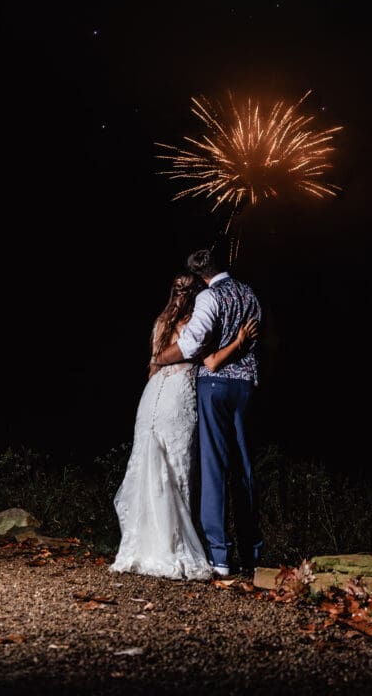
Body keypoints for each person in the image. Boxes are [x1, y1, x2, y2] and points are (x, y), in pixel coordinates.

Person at [110, 272, 258, 580]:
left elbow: (153, 367)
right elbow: (209, 361)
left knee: (150, 464)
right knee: (178, 470)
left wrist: (159, 369)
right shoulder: (195, 322)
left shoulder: (161, 322)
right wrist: (239, 341)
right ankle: (175, 545)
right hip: (179, 394)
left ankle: (143, 544)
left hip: (152, 396)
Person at [153, 247, 263, 577]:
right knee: (244, 468)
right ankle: (251, 553)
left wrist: (160, 358)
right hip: (246, 386)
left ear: (202, 276)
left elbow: (192, 344)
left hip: (214, 386)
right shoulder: (249, 293)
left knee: (214, 467)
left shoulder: (209, 297)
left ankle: (220, 555)